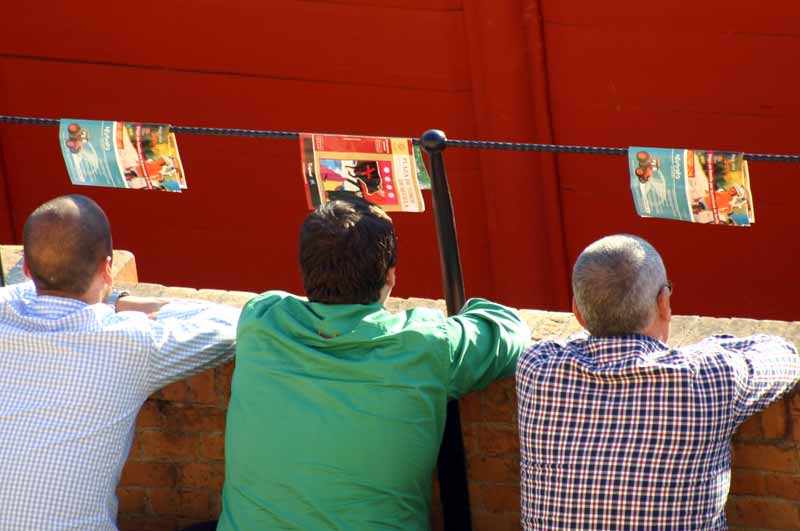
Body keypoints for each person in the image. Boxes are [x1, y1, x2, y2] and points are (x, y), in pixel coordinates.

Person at [218, 197, 530, 530]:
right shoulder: (423, 343)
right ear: (391, 275)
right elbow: (511, 330)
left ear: (305, 268)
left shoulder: (261, 319)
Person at [516, 234, 800, 530]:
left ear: (577, 313)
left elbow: (564, 343)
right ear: (663, 302)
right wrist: (706, 350)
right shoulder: (708, 377)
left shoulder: (536, 369)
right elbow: (785, 353)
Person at [0, 195, 240, 530]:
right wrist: (122, 302)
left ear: (25, 268)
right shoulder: (130, 343)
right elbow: (233, 325)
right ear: (107, 268)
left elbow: (16, 293)